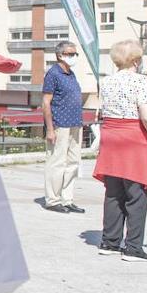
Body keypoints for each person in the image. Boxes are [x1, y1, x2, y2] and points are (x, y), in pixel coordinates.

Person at [92, 40, 147, 262]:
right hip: (132, 139)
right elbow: (146, 116)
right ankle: (133, 247)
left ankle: (109, 242)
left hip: (111, 138)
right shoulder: (139, 82)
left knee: (114, 192)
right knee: (137, 194)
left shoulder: (106, 82)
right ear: (136, 60)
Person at [42, 41, 86, 214]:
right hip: (60, 124)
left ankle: (67, 199)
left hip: (75, 123)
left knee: (73, 163)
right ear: (60, 55)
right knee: (57, 162)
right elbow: (46, 102)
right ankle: (53, 200)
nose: (73, 56)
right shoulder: (53, 74)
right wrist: (50, 129)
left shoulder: (71, 74)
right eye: (70, 53)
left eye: (75, 53)